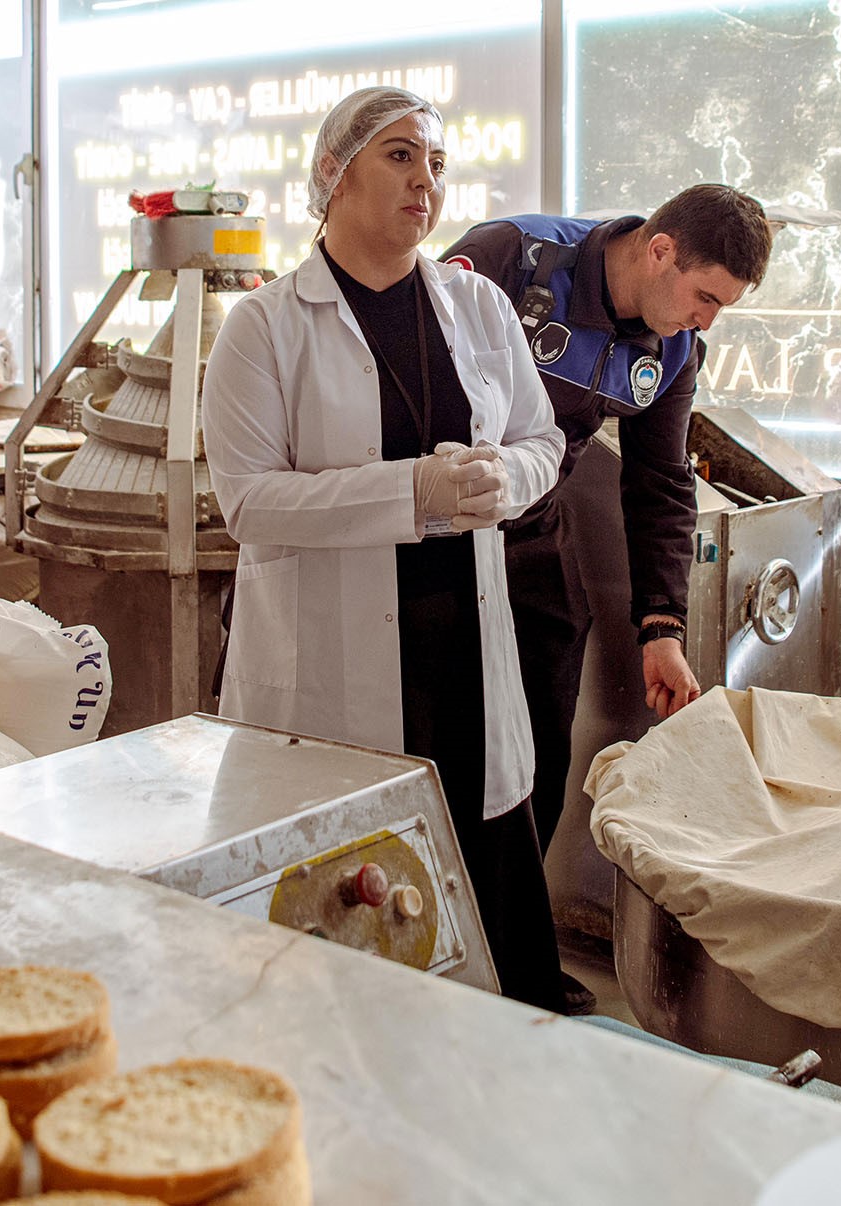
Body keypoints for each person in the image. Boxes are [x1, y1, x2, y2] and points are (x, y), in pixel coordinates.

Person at [201, 86, 569, 1012]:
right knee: (352, 929)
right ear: (334, 173)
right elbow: (248, 501)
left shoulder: (477, 309)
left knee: (487, 924)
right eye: (400, 157)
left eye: (437, 164)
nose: (425, 183)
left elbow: (542, 438)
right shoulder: (266, 328)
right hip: (334, 666)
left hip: (464, 654)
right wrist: (412, 492)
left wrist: (503, 483)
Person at [442, 187, 773, 1012]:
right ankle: (426, 949)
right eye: (705, 298)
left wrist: (660, 626)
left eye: (723, 309)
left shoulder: (675, 350)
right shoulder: (512, 259)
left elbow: (661, 485)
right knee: (440, 744)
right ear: (659, 250)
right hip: (438, 527)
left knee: (540, 750)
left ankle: (511, 957)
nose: (706, 322)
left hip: (534, 536)